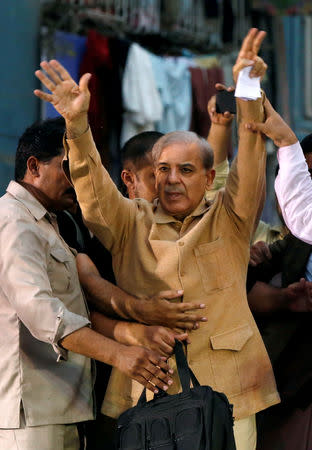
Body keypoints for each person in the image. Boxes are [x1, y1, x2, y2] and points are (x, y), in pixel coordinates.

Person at [34, 28, 280, 449]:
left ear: (208, 178)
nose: (171, 180)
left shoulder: (231, 217)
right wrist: (76, 124)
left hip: (232, 391)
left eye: (186, 171)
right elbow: (93, 192)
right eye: (163, 169)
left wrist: (248, 88)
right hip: (151, 393)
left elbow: (252, 159)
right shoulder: (131, 220)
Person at [0, 119, 176, 450]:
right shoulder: (14, 221)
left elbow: (82, 295)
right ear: (34, 167)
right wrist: (122, 355)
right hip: (33, 415)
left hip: (60, 408)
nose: (78, 180)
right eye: (69, 168)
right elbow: (42, 312)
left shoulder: (51, 223)